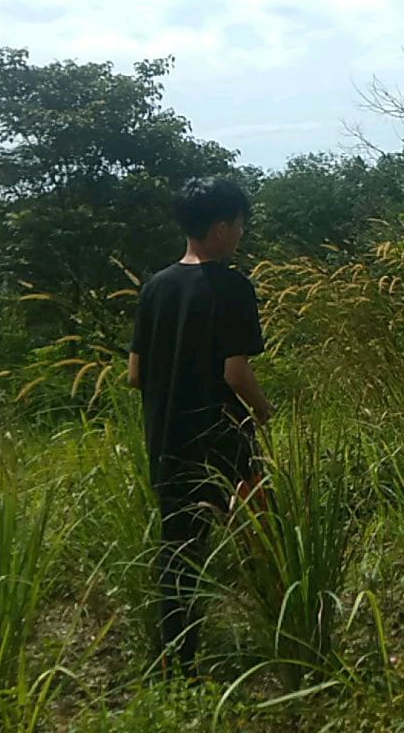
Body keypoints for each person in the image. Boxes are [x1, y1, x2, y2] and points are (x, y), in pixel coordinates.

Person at [128, 176, 273, 676]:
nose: (240, 235)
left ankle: (177, 663)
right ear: (219, 228)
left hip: (167, 439)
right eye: (238, 226)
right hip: (224, 438)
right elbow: (235, 372)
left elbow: (135, 375)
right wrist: (263, 410)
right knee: (262, 535)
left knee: (180, 553)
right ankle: (283, 630)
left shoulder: (156, 287)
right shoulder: (232, 287)